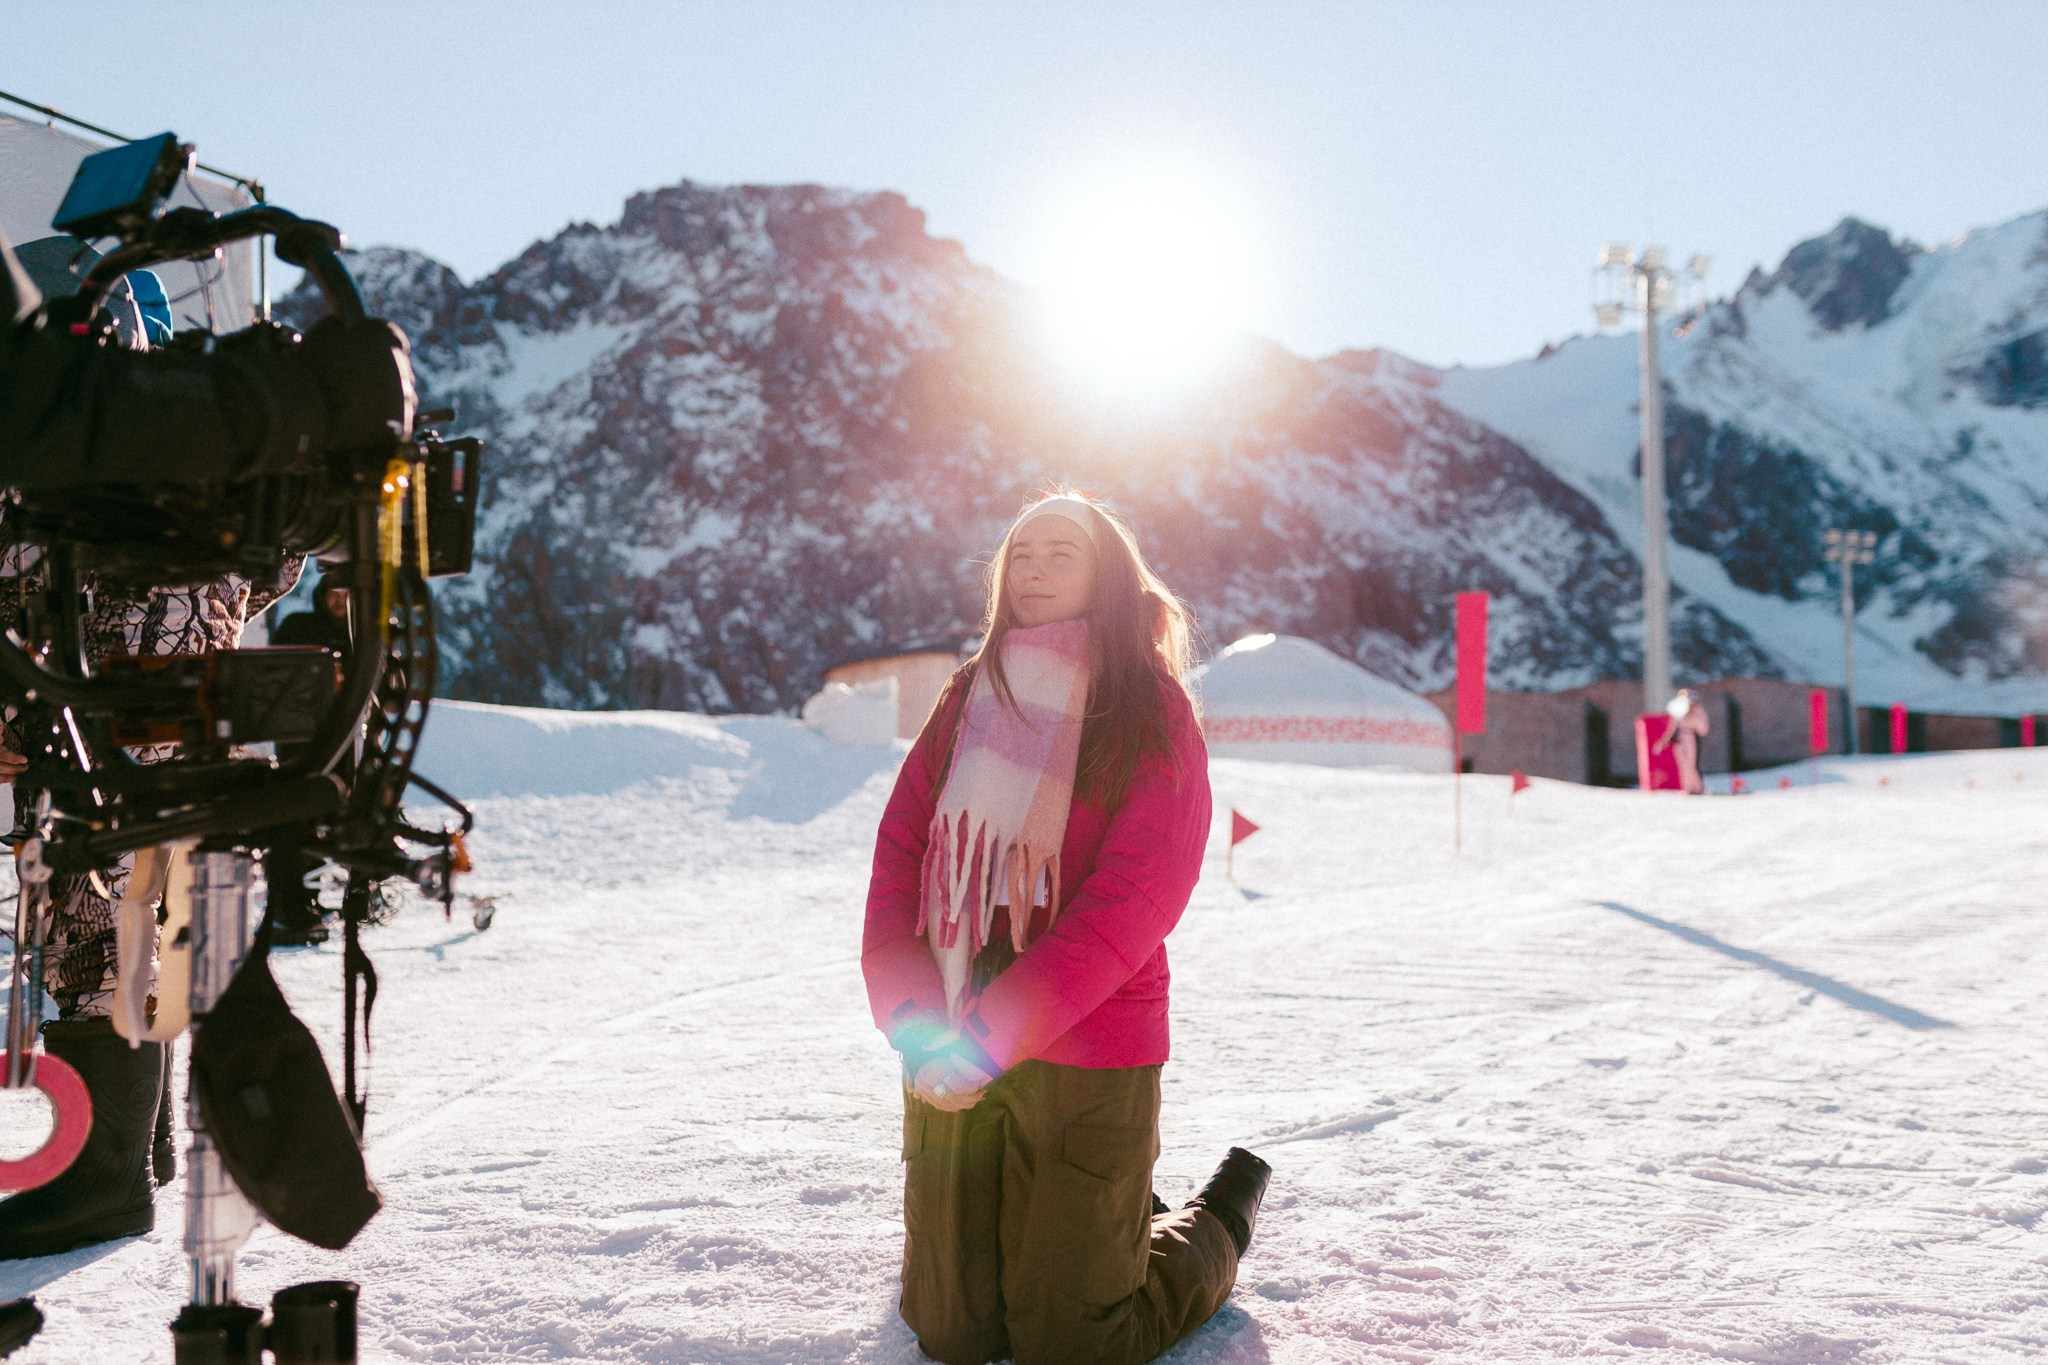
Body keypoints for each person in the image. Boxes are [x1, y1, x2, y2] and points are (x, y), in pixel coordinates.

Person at [0, 224, 413, 1259]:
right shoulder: (211, 479)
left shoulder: (49, 480)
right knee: (141, 939)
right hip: (159, 745)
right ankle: (132, 1154)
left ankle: (104, 1182)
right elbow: (283, 552)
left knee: (103, 937)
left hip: (102, 751)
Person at [862, 491, 1271, 1365]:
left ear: (1108, 580)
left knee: (1071, 1340)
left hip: (1089, 1039)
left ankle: (1217, 1216)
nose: (1035, 569)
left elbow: (1132, 900)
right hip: (949, 1032)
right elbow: (900, 855)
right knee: (950, 1326)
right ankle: (1108, 1217)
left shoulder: (1148, 709)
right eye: (1022, 553)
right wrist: (917, 1025)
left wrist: (989, 1039)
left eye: (1062, 553)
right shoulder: (967, 695)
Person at [1655, 688, 1711, 795]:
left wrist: (1695, 713)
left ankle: (1697, 788)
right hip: (1679, 740)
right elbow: (1672, 728)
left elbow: (1703, 730)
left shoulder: (1697, 711)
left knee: (1691, 764)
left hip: (1691, 738)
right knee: (1682, 765)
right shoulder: (1678, 711)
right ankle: (1688, 787)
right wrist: (1664, 741)